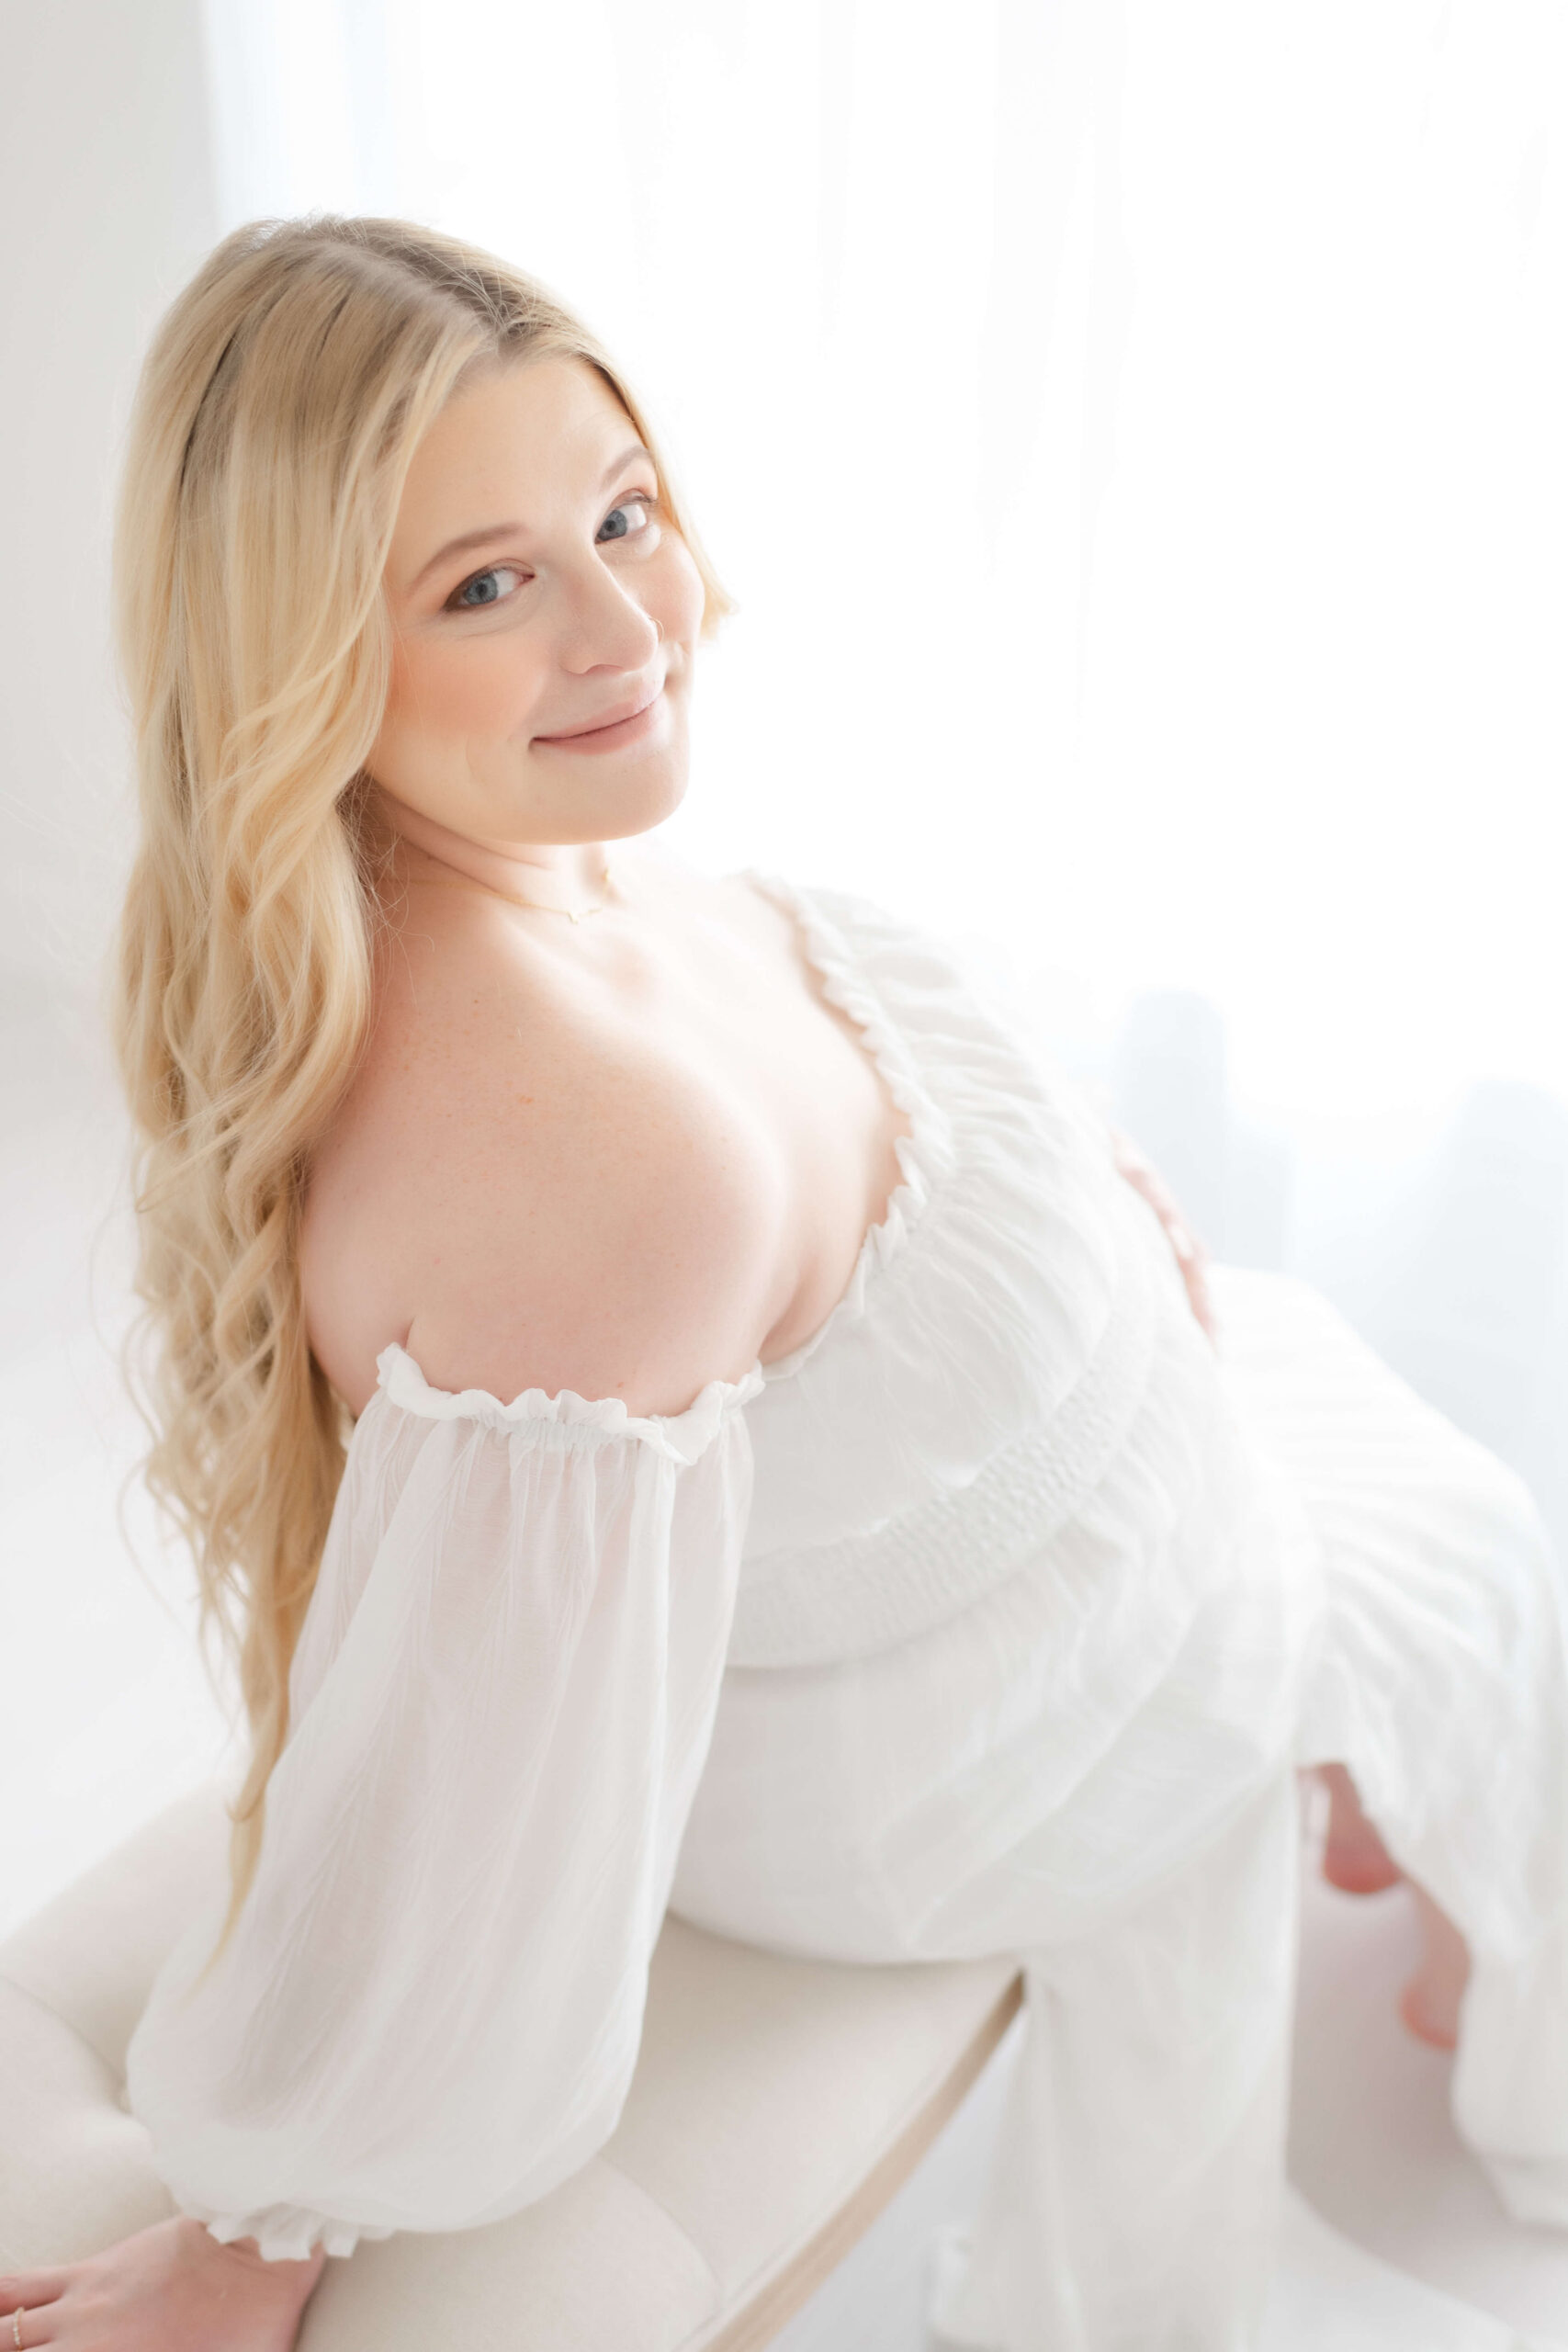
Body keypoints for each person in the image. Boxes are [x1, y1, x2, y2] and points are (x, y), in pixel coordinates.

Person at [2, 214, 1564, 2352]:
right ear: (304, 657)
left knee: (1426, 1522)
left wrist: (1097, 1203)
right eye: (486, 583)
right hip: (962, 1744)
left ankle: (1378, 1783)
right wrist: (257, 2228)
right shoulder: (581, 1172)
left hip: (1027, 1512)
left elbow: (825, 1080)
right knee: (1475, 1576)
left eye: (619, 511)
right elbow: (484, 1808)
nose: (626, 619)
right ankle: (1371, 1799)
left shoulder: (516, 847)